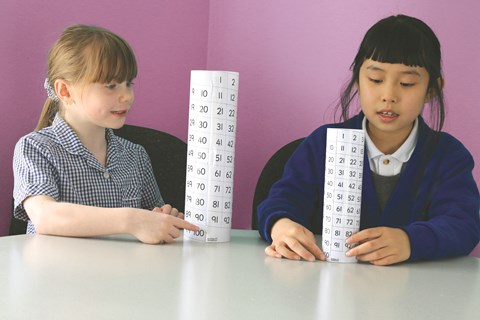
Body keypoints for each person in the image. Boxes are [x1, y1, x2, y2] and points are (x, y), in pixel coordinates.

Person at [257, 15, 480, 265]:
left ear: (432, 89)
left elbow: (464, 225)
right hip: (327, 288)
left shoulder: (448, 156)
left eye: (407, 83)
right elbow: (280, 201)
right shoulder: (323, 143)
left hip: (415, 295)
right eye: (375, 79)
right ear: (358, 79)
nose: (388, 95)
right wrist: (280, 225)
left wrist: (410, 241)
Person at [13, 25, 199, 244]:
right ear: (65, 91)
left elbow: (150, 217)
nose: (127, 96)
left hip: (125, 274)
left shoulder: (135, 155)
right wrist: (132, 219)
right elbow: (45, 217)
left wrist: (162, 220)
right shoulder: (35, 148)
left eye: (128, 83)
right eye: (111, 86)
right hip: (58, 275)